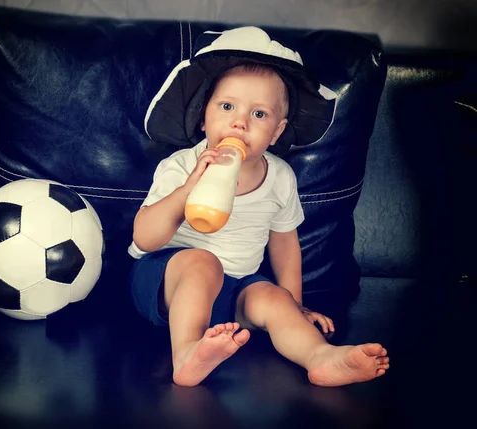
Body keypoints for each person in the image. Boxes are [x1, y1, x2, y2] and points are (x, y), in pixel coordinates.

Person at [127, 27, 389, 388]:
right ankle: (186, 351)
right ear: (204, 118)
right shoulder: (182, 166)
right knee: (204, 262)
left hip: (235, 291)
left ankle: (321, 357)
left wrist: (295, 304)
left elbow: (284, 244)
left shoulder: (279, 177)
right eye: (227, 106)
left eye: (260, 114)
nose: (240, 122)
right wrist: (188, 189)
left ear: (277, 132)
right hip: (166, 284)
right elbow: (144, 238)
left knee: (273, 298)